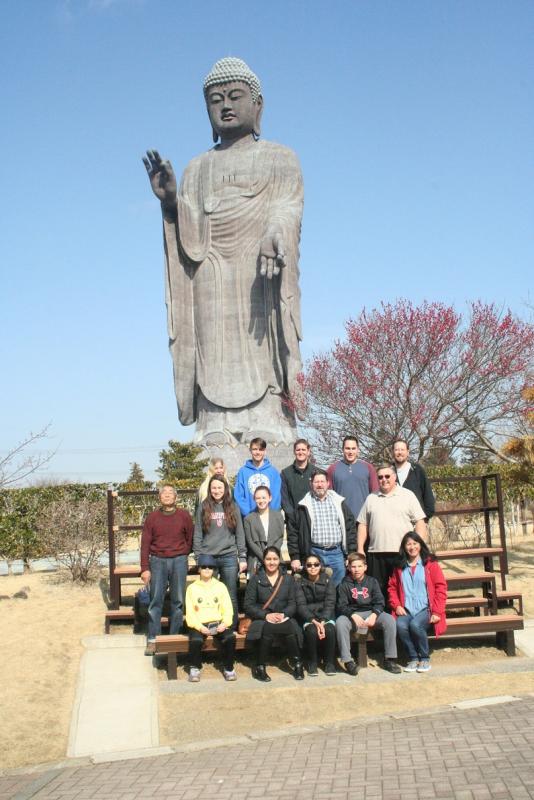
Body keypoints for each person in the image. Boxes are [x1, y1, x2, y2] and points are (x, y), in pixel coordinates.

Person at [143, 57, 303, 446]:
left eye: (235, 96)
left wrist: (274, 233)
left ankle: (267, 415)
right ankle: (213, 421)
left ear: (258, 105)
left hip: (258, 266)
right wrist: (170, 202)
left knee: (262, 338)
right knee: (209, 341)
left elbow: (288, 206)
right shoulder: (197, 168)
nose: (226, 106)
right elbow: (190, 234)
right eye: (216, 100)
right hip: (211, 269)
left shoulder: (280, 158)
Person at [357, 463, 427, 598]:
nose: (384, 479)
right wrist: (360, 548)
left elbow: (420, 521)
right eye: (380, 477)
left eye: (387, 476)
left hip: (401, 553)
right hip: (376, 554)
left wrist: (418, 547)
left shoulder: (408, 495)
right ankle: (382, 618)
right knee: (379, 592)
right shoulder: (371, 498)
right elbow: (362, 525)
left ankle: (402, 617)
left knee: (403, 590)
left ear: (394, 477)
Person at [140, 485, 194, 656]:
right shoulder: (152, 517)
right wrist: (145, 568)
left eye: (171, 493)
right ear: (159, 497)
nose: (167, 496)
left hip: (179, 560)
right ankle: (153, 640)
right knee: (156, 601)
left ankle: (174, 639)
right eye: (164, 493)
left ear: (176, 497)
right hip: (157, 561)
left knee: (178, 601)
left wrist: (183, 553)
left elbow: (190, 537)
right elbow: (145, 545)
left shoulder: (184, 515)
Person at [387, 532, 447, 673]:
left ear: (420, 545)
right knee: (400, 625)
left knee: (415, 625)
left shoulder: (430, 564)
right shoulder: (399, 566)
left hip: (427, 609)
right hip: (406, 609)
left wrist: (437, 611)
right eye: (408, 544)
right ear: (404, 547)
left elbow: (441, 587)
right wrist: (396, 605)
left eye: (415, 543)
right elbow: (392, 587)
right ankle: (413, 658)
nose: (412, 547)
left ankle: (424, 658)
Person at [243, 546, 304, 682]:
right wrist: (266, 615)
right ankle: (260, 666)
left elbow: (292, 603)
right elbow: (248, 605)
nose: (272, 562)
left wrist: (283, 614)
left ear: (279, 560)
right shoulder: (256, 579)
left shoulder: (288, 579)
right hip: (262, 618)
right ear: (263, 560)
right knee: (268, 627)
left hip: (283, 617)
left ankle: (297, 664)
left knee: (290, 627)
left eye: (275, 559)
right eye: (268, 559)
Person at [194, 476, 247, 628]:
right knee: (209, 594)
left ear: (225, 489)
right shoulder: (203, 507)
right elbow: (198, 532)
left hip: (229, 556)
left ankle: (231, 626)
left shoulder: (233, 506)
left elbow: (240, 533)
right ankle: (210, 624)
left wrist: (242, 556)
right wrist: (198, 556)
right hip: (208, 557)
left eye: (220, 488)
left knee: (230, 594)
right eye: (214, 488)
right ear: (210, 489)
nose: (217, 491)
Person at [336, 553, 402, 675]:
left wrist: (374, 614)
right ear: (349, 568)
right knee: (340, 622)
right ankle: (348, 661)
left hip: (371, 613)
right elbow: (341, 605)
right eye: (353, 566)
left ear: (365, 567)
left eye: (360, 566)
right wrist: (352, 614)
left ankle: (390, 659)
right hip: (353, 614)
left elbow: (380, 602)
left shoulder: (372, 581)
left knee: (389, 620)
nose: (356, 570)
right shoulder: (344, 584)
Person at [289, 468, 356, 586]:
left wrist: (351, 552)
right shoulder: (303, 506)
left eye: (322, 482)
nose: (319, 485)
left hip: (336, 553)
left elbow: (350, 528)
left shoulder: (339, 502)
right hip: (314, 553)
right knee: (316, 588)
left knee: (338, 587)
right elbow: (293, 533)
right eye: (316, 482)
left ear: (328, 483)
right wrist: (295, 556)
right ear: (311, 484)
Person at [185, 554, 237, 682]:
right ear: (199, 569)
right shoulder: (192, 588)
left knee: (230, 637)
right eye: (204, 567)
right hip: (199, 623)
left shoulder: (220, 586)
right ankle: (195, 667)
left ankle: (229, 668)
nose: (207, 569)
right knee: (196, 640)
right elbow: (190, 613)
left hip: (218, 623)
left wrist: (225, 623)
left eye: (210, 567)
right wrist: (200, 627)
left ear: (213, 570)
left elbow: (228, 608)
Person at [295, 554, 337, 676]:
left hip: (325, 615)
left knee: (329, 630)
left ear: (320, 566)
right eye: (309, 565)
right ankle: (312, 662)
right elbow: (301, 605)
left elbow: (330, 602)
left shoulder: (328, 580)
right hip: (308, 616)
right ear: (305, 567)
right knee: (312, 631)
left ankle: (330, 662)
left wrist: (323, 620)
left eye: (316, 564)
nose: (313, 567)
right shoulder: (299, 582)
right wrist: (313, 620)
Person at [327, 436, 379, 519]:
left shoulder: (369, 468)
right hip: (341, 519)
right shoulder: (332, 469)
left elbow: (375, 494)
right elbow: (328, 497)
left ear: (358, 450)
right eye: (347, 448)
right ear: (343, 449)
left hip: (364, 520)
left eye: (353, 448)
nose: (350, 452)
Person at [234, 438, 282, 517]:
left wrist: (269, 513)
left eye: (261, 449)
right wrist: (248, 514)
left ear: (265, 451)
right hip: (249, 517)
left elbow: (276, 496)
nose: (257, 452)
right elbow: (239, 496)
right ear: (250, 450)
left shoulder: (273, 472)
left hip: (268, 517)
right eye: (255, 449)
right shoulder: (243, 472)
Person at [244, 486, 285, 573]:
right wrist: (264, 557)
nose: (261, 500)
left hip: (275, 556)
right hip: (256, 558)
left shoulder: (278, 516)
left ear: (270, 498)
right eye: (258, 498)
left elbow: (280, 537)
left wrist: (272, 555)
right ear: (254, 499)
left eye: (264, 497)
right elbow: (250, 542)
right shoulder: (248, 519)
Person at [281, 439, 314, 546]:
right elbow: (284, 497)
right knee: (296, 554)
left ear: (309, 451)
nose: (301, 452)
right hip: (293, 521)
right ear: (294, 451)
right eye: (298, 449)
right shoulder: (286, 473)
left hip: (313, 519)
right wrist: (292, 515)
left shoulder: (316, 472)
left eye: (303, 449)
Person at [392, 439, 435, 520]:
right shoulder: (388, 473)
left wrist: (425, 519)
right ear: (393, 452)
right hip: (395, 523)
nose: (399, 452)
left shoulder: (417, 470)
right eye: (397, 450)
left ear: (408, 452)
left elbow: (428, 495)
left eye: (402, 449)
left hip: (416, 521)